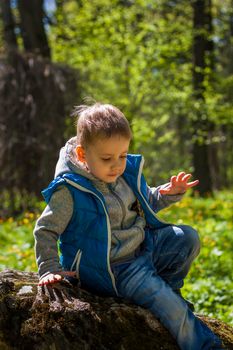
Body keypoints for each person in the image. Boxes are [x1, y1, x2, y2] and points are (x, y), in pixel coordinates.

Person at [34, 103, 222, 350]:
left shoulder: (123, 175)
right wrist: (48, 268)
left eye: (123, 155)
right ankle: (206, 345)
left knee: (186, 237)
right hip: (114, 268)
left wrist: (169, 193)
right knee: (174, 310)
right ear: (82, 155)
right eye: (107, 158)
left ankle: (170, 290)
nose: (117, 165)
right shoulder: (69, 190)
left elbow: (144, 202)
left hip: (141, 249)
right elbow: (46, 229)